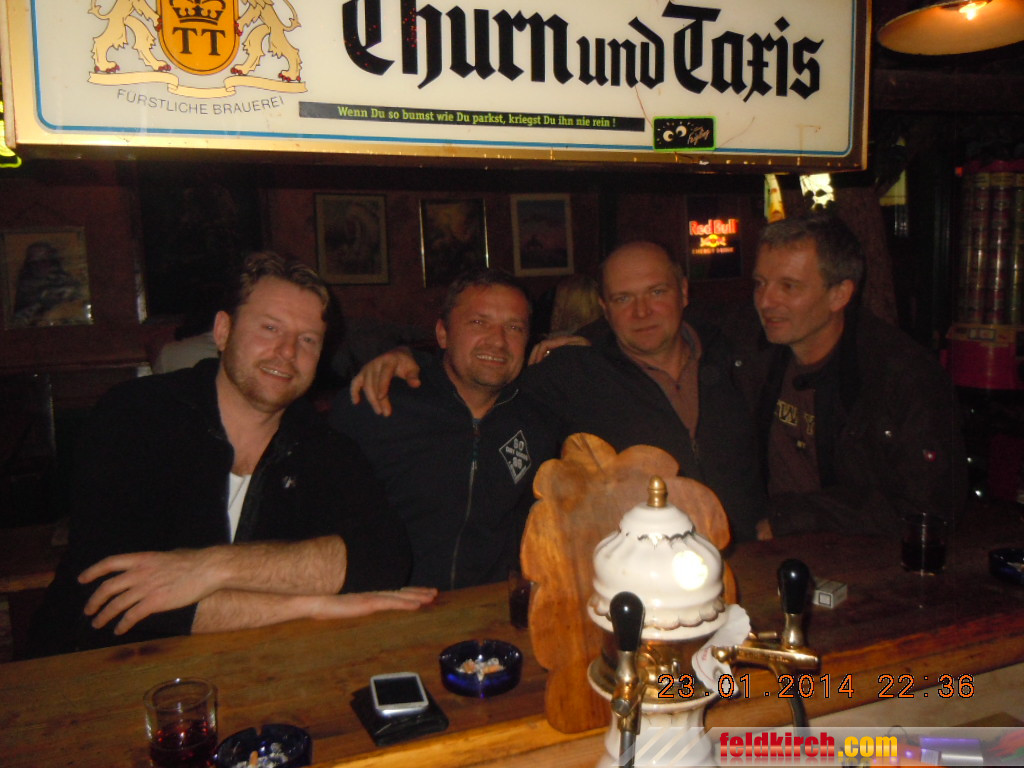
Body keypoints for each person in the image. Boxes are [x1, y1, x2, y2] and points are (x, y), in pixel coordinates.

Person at [32, 252, 433, 655]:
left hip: (251, 667)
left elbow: (384, 559)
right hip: (92, 669)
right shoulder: (137, 415)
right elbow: (117, 600)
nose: (287, 351)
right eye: (270, 328)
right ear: (223, 331)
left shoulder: (323, 445)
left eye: (308, 340)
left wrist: (211, 568)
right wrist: (311, 605)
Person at [351, 242, 764, 542]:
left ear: (684, 292)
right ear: (604, 307)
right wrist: (408, 358)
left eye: (657, 292)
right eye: (623, 298)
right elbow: (481, 373)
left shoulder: (738, 353)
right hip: (641, 579)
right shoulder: (574, 374)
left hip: (752, 556)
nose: (641, 312)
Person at [331, 269, 559, 590]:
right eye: (478, 322)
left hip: (489, 606)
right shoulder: (377, 404)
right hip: (385, 607)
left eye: (514, 327)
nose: (498, 341)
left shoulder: (538, 422)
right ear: (443, 334)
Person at [743, 213, 965, 538]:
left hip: (859, 555)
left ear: (840, 294)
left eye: (788, 286)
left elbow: (929, 506)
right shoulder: (753, 351)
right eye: (760, 283)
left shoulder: (902, 376)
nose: (765, 301)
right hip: (772, 545)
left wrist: (790, 518)